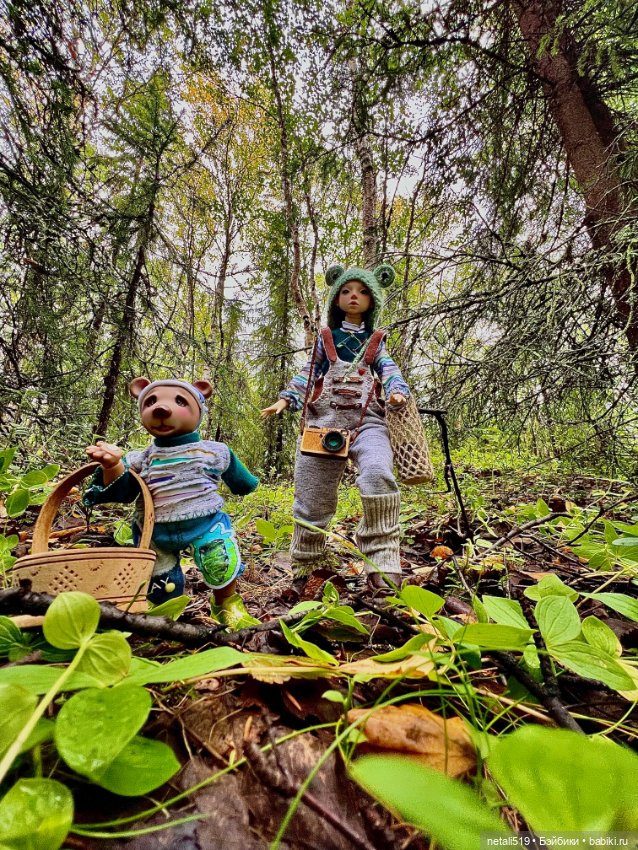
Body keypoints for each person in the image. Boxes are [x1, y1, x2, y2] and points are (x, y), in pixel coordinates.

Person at [261, 263, 409, 590]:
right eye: (345, 291)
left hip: (368, 420)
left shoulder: (376, 341)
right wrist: (286, 399)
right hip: (325, 419)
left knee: (377, 473)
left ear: (373, 300)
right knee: (313, 488)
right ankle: (306, 564)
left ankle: (383, 562)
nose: (353, 296)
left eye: (362, 291)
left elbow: (388, 368)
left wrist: (397, 390)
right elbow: (309, 373)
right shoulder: (326, 338)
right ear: (335, 298)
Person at [84, 377, 259, 629]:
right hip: (155, 529)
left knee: (220, 561)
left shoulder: (214, 451)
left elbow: (243, 482)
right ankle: (164, 613)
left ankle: (226, 604)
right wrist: (113, 466)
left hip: (206, 523)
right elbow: (123, 492)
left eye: (180, 401)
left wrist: (247, 483)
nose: (161, 409)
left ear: (199, 409)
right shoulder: (140, 459)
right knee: (159, 578)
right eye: (151, 402)